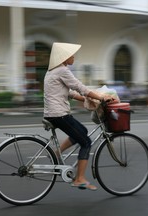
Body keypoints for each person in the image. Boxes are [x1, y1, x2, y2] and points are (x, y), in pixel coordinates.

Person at [43, 42, 113, 191]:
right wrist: (100, 97)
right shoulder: (62, 70)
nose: (73, 57)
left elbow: (71, 93)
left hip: (53, 114)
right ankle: (79, 179)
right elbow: (80, 87)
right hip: (59, 114)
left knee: (82, 131)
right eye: (71, 55)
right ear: (64, 58)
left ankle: (56, 154)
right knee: (86, 142)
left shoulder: (52, 72)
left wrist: (89, 99)